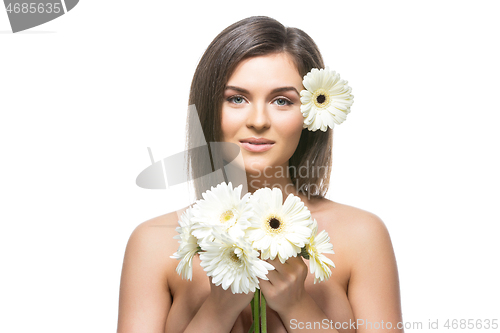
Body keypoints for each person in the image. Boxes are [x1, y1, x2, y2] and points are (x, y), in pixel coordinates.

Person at [117, 16, 403, 333]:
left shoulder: (361, 235)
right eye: (236, 98)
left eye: (282, 100)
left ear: (310, 114)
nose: (258, 120)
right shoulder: (154, 243)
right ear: (209, 108)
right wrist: (218, 309)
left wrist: (297, 305)